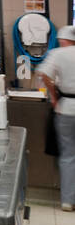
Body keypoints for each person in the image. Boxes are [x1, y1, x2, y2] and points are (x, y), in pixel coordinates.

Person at [38, 24, 75, 211]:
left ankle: (68, 200)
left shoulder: (59, 54)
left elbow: (43, 73)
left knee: (68, 156)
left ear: (63, 39)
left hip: (66, 109)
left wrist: (53, 96)